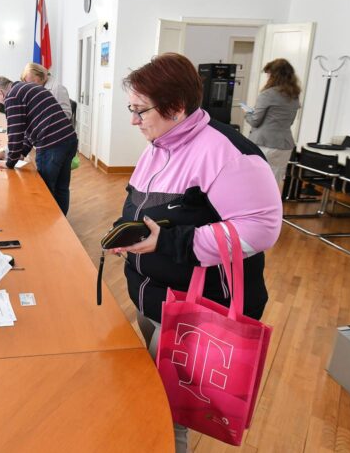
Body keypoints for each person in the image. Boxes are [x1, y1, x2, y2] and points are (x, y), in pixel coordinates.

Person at [105, 53, 282, 452]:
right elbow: (143, 204)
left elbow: (261, 229)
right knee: (154, 398)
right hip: (153, 296)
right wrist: (124, 229)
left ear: (176, 107)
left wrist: (169, 242)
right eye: (131, 109)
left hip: (197, 308)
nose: (134, 120)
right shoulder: (159, 144)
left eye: (140, 110)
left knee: (167, 415)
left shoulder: (229, 153)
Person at [0, 76, 78, 215]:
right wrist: (22, 153)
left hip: (51, 144)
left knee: (44, 189)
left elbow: (15, 132)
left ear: (0, 92)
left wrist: (10, 162)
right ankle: (61, 223)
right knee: (61, 188)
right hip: (69, 139)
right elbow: (31, 127)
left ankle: (46, 222)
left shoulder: (12, 97)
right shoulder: (28, 88)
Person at [242, 58, 301, 185]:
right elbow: (289, 122)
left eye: (269, 74)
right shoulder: (294, 95)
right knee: (276, 180)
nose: (267, 77)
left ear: (274, 75)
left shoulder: (268, 94)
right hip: (285, 145)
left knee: (257, 180)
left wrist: (247, 114)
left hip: (265, 143)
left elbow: (255, 121)